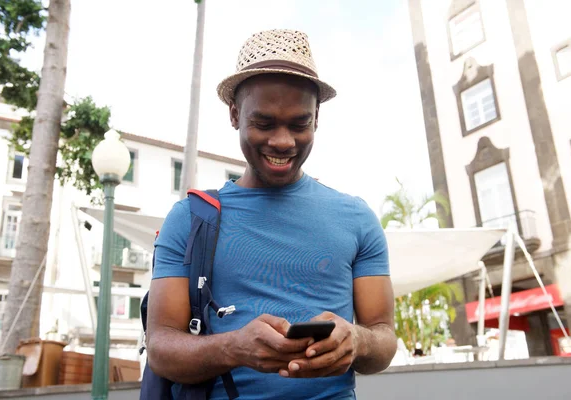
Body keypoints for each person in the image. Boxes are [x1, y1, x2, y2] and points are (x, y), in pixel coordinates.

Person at [146, 29, 397, 399]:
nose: (283, 141)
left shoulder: (357, 218)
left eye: (300, 124)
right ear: (234, 114)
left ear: (317, 118)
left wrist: (357, 341)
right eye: (263, 124)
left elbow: (384, 338)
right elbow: (160, 349)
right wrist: (235, 347)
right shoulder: (190, 218)